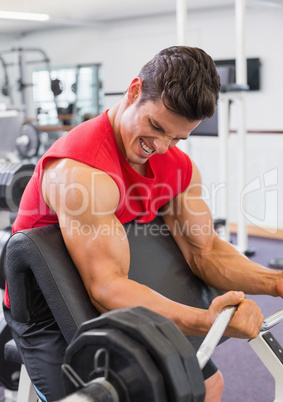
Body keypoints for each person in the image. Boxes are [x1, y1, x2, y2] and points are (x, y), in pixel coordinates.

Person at [3, 46, 283, 402]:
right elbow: (105, 288)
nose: (162, 146)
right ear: (134, 91)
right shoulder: (81, 173)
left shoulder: (177, 166)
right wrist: (206, 320)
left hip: (121, 283)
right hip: (50, 309)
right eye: (156, 127)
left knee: (209, 386)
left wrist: (276, 282)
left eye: (178, 138)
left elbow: (206, 252)